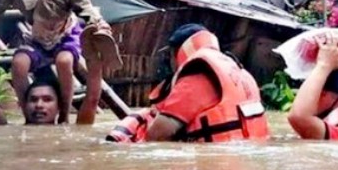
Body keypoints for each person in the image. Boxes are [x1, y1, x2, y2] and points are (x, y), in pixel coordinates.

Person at [107, 23, 270, 143]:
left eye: (170, 55)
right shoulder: (241, 73)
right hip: (240, 168)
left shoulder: (195, 76)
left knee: (143, 117)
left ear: (177, 52)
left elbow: (158, 134)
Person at [0, 43, 61, 125]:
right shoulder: (12, 131)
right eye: (33, 100)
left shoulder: (69, 130)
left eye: (47, 99)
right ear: (24, 104)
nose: (39, 105)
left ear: (59, 106)